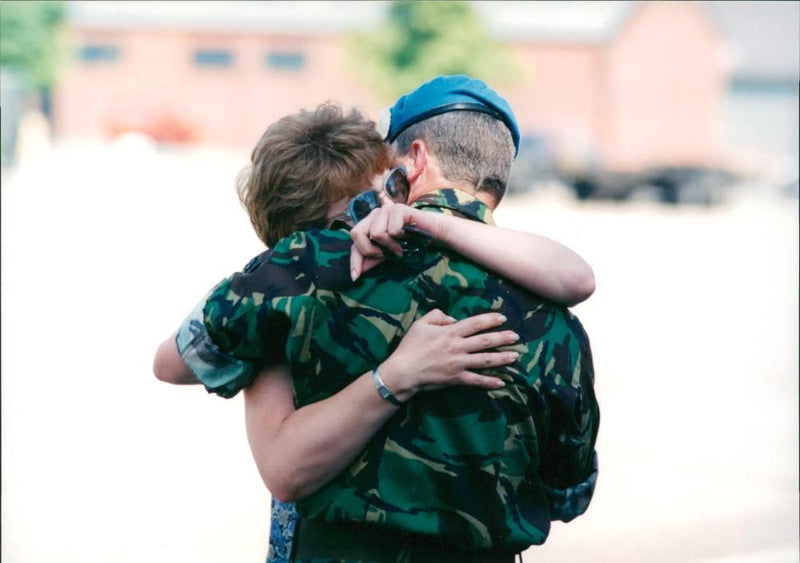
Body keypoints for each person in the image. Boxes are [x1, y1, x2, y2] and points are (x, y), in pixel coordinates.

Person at [164, 75, 600, 562]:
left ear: (414, 160)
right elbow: (568, 494)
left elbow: (179, 360)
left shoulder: (312, 267)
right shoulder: (555, 320)